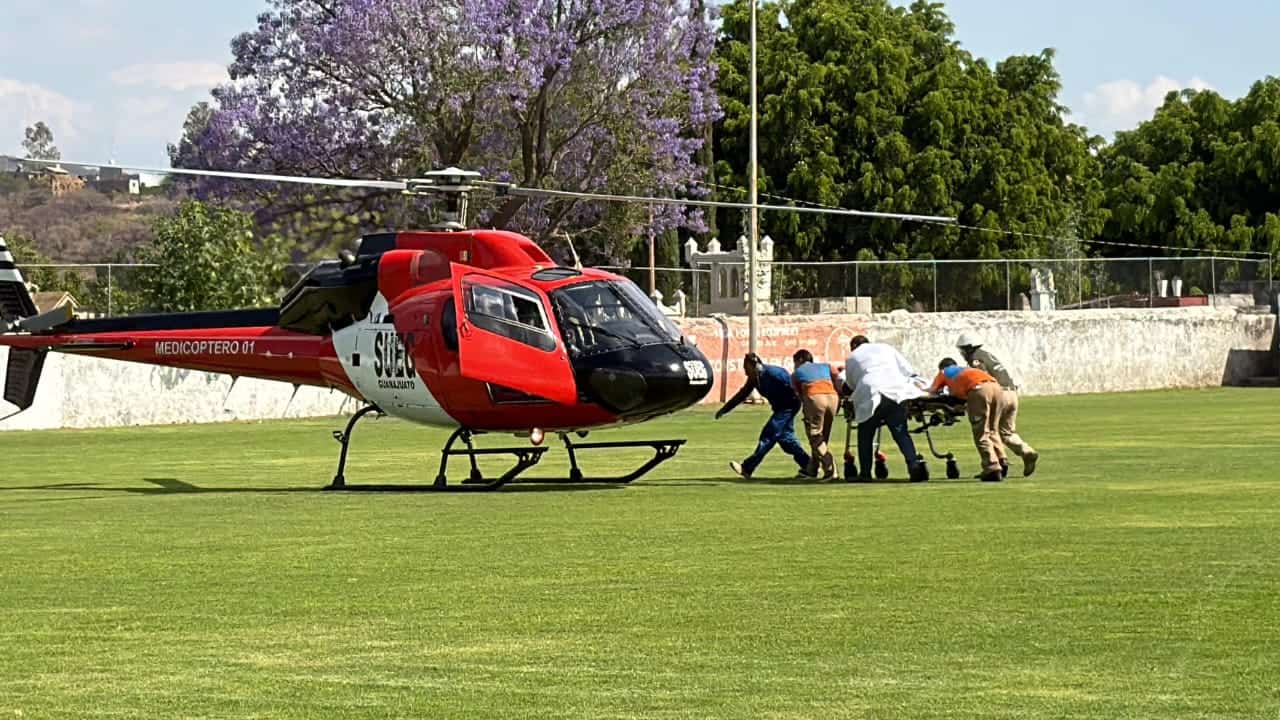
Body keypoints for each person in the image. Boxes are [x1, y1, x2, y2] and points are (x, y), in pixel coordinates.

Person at [842, 336, 929, 482]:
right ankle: (913, 464)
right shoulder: (885, 347)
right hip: (896, 390)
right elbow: (907, 370)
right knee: (901, 433)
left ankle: (865, 473)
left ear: (854, 346)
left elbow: (851, 384)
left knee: (865, 434)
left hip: (871, 391)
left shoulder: (852, 356)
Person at [716, 353, 811, 479]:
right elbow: (742, 395)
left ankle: (747, 468)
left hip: (789, 406)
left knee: (769, 434)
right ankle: (809, 466)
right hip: (779, 409)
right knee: (786, 440)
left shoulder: (775, 373)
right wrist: (724, 409)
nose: (745, 373)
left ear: (754, 366)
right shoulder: (754, 379)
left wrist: (807, 407)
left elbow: (795, 387)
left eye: (746, 369)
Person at [956, 332, 1038, 476]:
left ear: (968, 348)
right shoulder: (988, 355)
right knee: (1007, 433)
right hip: (1012, 394)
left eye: (962, 350)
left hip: (1000, 394)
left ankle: (993, 466)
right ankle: (1026, 451)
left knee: (988, 431)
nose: (962, 353)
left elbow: (982, 379)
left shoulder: (976, 359)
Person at [927, 357, 1006, 482]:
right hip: (997, 389)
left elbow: (933, 391)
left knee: (981, 432)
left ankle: (992, 467)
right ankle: (1002, 459)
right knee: (992, 429)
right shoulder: (966, 370)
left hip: (979, 390)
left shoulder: (944, 372)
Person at [791, 349, 841, 480]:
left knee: (815, 435)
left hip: (814, 397)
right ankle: (812, 469)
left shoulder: (796, 374)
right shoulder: (826, 366)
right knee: (823, 437)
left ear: (800, 360)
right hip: (833, 397)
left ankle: (830, 468)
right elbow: (838, 377)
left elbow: (800, 395)